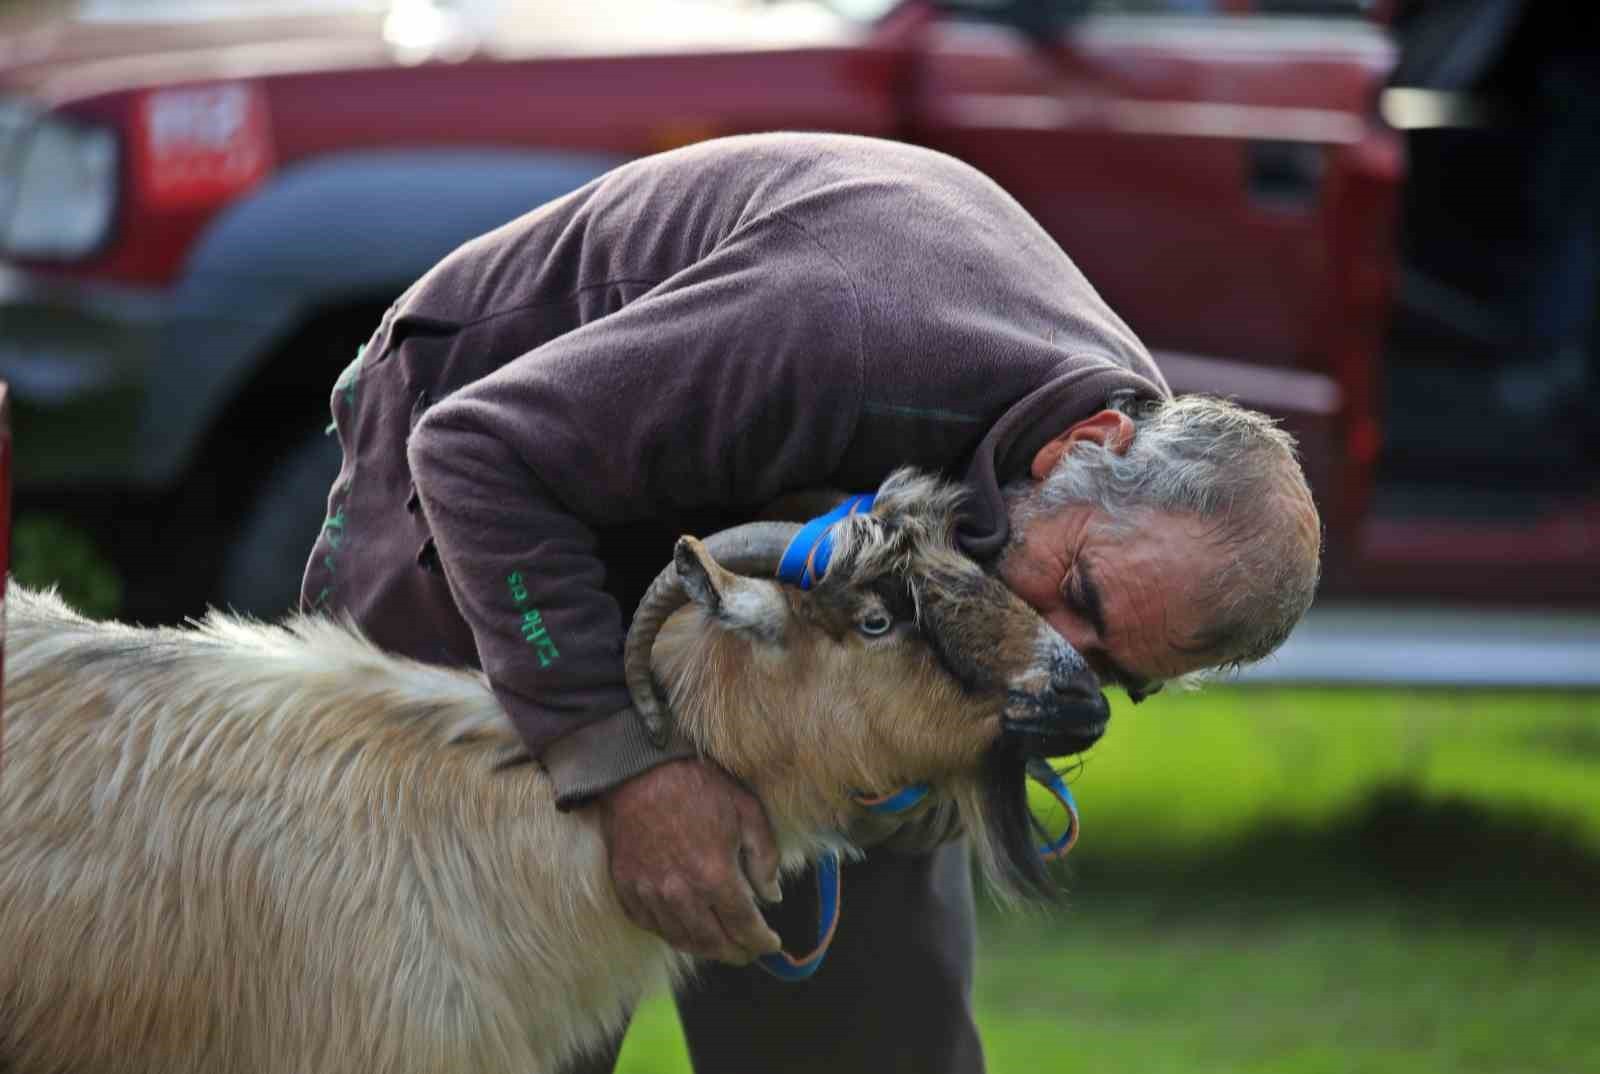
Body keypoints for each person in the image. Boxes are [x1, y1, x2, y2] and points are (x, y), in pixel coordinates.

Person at [300, 132, 1321, 1074]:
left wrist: (901, 786)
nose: (1051, 653)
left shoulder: (1105, 487)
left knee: (868, 1039)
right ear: (1079, 447)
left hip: (801, 596)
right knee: (475, 1017)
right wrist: (617, 766)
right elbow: (479, 453)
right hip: (500, 479)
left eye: (1107, 668)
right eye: (1077, 595)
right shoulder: (857, 333)